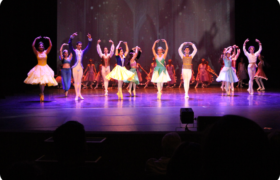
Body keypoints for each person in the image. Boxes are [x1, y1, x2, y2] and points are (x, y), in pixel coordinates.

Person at [24, 36, 57, 102]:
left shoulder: (45, 52)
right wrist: (35, 39)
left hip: (45, 67)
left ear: (43, 47)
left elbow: (50, 46)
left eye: (42, 46)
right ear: (38, 47)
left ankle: (42, 93)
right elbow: (33, 46)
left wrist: (49, 39)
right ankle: (41, 93)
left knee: (43, 82)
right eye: (40, 46)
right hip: (39, 68)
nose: (41, 47)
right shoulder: (37, 53)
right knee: (41, 82)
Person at [68, 32, 92, 100]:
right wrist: (71, 37)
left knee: (80, 81)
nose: (80, 46)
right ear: (76, 46)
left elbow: (88, 47)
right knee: (76, 81)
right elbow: (70, 45)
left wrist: (89, 39)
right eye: (79, 45)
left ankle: (80, 94)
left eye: (81, 45)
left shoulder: (82, 51)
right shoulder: (74, 51)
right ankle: (76, 95)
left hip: (80, 67)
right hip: (75, 67)